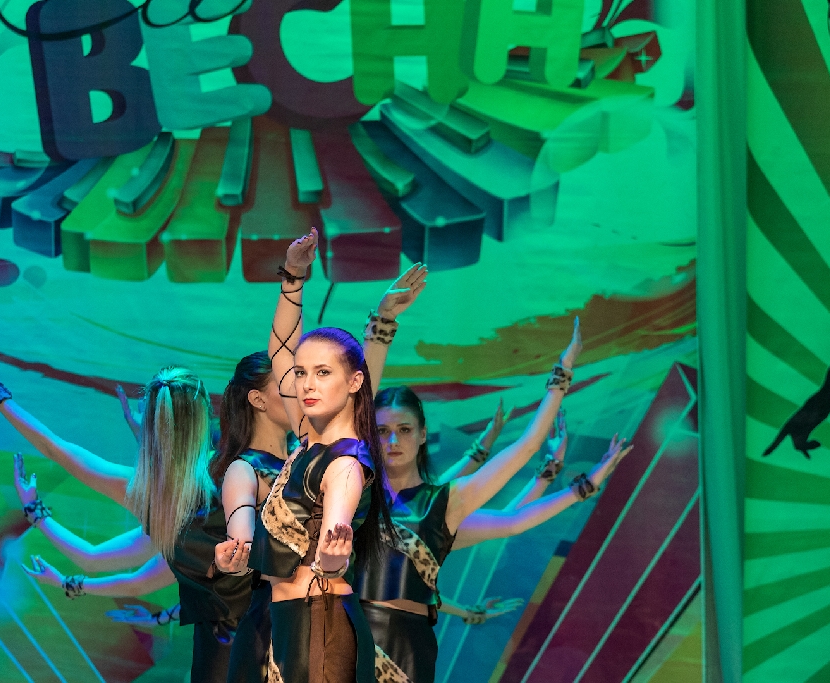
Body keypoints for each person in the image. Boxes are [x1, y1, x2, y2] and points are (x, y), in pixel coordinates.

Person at [0, 343, 283, 683]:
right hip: (275, 637)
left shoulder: (151, 499)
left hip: (223, 656)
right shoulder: (237, 474)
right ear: (204, 417)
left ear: (152, 426)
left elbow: (56, 450)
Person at [354, 373, 633, 683]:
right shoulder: (353, 501)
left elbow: (511, 519)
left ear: (422, 435)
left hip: (405, 651)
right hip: (348, 643)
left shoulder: (436, 508)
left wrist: (576, 482)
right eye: (382, 431)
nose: (392, 441)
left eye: (404, 429)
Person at [245, 228, 395, 683]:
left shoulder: (345, 464)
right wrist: (293, 278)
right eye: (302, 373)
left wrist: (332, 559)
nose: (307, 384)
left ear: (354, 382)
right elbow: (280, 352)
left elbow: (336, 530)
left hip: (319, 622)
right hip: (295, 620)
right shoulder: (310, 441)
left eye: (323, 372)